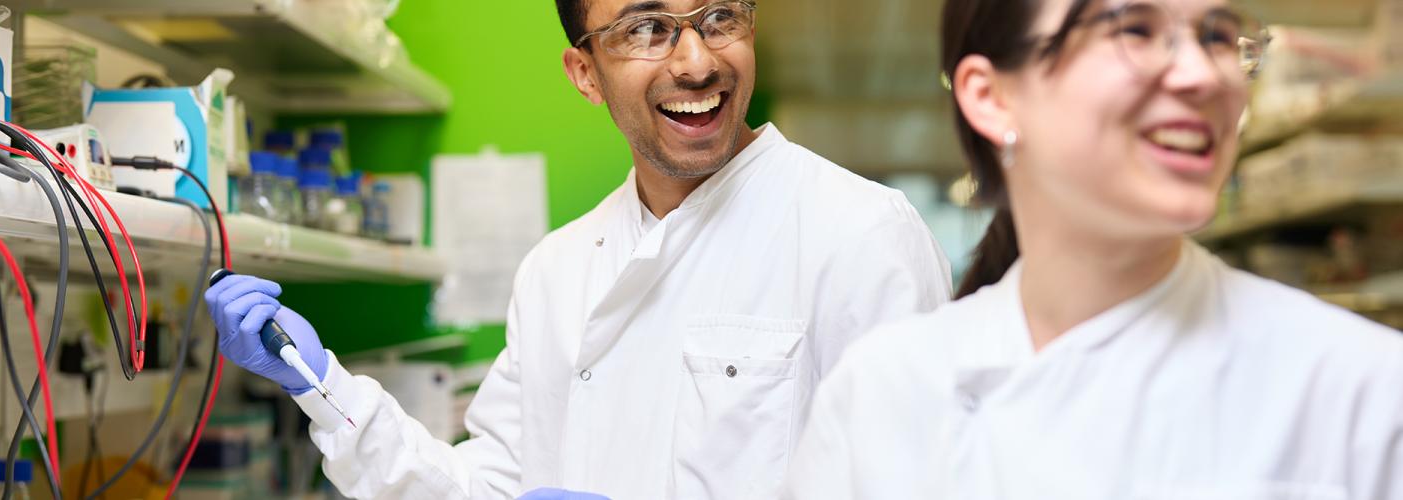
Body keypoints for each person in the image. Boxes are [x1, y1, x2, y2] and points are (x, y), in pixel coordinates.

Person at [204, 0, 953, 498]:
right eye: (647, 28)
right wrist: (321, 385)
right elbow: (488, 487)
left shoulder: (860, 234)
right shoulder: (559, 268)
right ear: (585, 72)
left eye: (720, 16)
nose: (696, 62)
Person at [786, 0, 1403, 498]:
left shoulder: (1364, 389)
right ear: (992, 96)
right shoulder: (880, 397)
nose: (1201, 75)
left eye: (1217, 35)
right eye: (1134, 27)